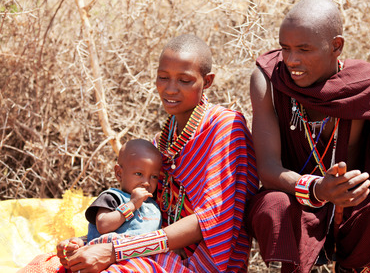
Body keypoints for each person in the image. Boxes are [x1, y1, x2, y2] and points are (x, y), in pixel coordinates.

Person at [20, 34, 259, 273]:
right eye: (163, 78)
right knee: (51, 265)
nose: (170, 88)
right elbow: (145, 219)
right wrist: (86, 243)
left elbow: (209, 220)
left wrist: (116, 251)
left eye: (184, 80)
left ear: (207, 82)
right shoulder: (161, 144)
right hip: (153, 251)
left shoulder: (224, 126)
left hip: (202, 264)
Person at [244, 0, 370, 273]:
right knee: (273, 206)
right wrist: (317, 189)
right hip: (297, 199)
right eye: (285, 48)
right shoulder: (269, 79)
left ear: (336, 46)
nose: (291, 60)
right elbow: (268, 170)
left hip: (355, 205)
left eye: (304, 49)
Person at [85, 138, 162, 244]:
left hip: (143, 254)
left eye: (154, 176)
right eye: (139, 174)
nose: (146, 183)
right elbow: (103, 225)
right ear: (119, 173)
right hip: (110, 253)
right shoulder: (113, 197)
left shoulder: (154, 206)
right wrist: (132, 204)